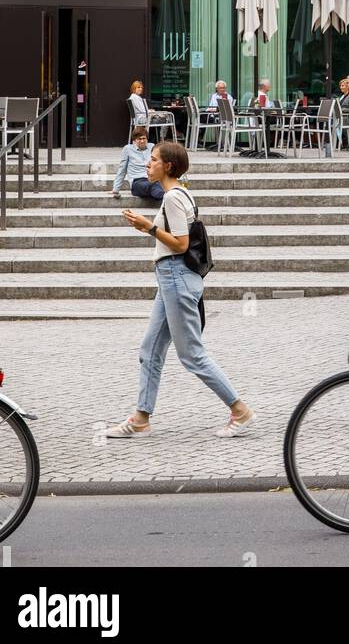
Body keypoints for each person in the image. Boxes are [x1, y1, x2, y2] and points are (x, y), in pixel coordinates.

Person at [106, 141, 255, 440]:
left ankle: (240, 410)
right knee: (150, 350)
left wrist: (148, 227)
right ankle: (140, 419)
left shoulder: (174, 197)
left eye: (153, 160)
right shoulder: (180, 192)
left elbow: (181, 244)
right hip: (170, 279)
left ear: (168, 166)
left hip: (176, 276)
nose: (148, 164)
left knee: (191, 354)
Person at [111, 126, 164, 202]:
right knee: (151, 186)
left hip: (153, 179)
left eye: (144, 138)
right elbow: (122, 170)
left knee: (158, 184)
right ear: (134, 140)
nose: (142, 141)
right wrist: (116, 189)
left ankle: (165, 197)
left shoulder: (152, 146)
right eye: (139, 139)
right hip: (138, 181)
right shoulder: (128, 149)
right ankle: (165, 197)